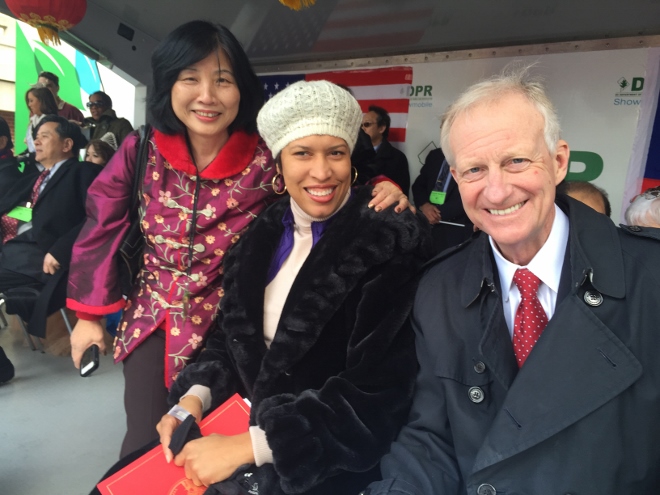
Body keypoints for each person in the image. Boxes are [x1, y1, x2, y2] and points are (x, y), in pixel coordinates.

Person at [67, 21, 408, 459]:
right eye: (190, 78)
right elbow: (102, 223)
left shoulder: (269, 149)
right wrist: (90, 316)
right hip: (154, 319)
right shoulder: (142, 148)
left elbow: (334, 160)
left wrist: (384, 183)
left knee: (226, 449)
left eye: (222, 80)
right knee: (146, 448)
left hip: (232, 328)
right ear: (168, 85)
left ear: (242, 89)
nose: (207, 96)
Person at [366, 67, 660, 495]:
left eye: (515, 161)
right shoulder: (439, 289)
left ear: (558, 162)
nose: (497, 191)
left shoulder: (650, 277)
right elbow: (431, 438)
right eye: (474, 170)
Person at [154, 79, 430, 494]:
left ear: (351, 158)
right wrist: (194, 397)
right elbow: (230, 341)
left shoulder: (386, 239)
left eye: (335, 153)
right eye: (302, 153)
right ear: (279, 164)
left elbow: (380, 395)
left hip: (321, 469)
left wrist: (251, 447)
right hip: (232, 442)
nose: (321, 172)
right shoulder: (259, 235)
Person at [0, 115, 98, 293]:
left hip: (37, 260)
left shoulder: (83, 172)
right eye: (36, 137)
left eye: (44, 136)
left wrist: (61, 250)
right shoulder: (33, 179)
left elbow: (98, 216)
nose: (36, 142)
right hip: (11, 253)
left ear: (66, 145)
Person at [411, 147, 473, 252]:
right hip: (426, 227)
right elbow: (418, 186)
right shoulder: (435, 155)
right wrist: (424, 206)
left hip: (456, 228)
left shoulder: (472, 157)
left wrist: (437, 213)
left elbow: (473, 194)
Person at [362, 105, 410, 193]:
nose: (362, 128)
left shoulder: (398, 158)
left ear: (381, 128)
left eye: (367, 124)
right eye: (361, 125)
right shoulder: (353, 154)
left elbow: (401, 193)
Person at [24, 86, 58, 153]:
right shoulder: (33, 121)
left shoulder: (52, 122)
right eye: (28, 101)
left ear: (42, 101)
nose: (29, 104)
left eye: (31, 101)